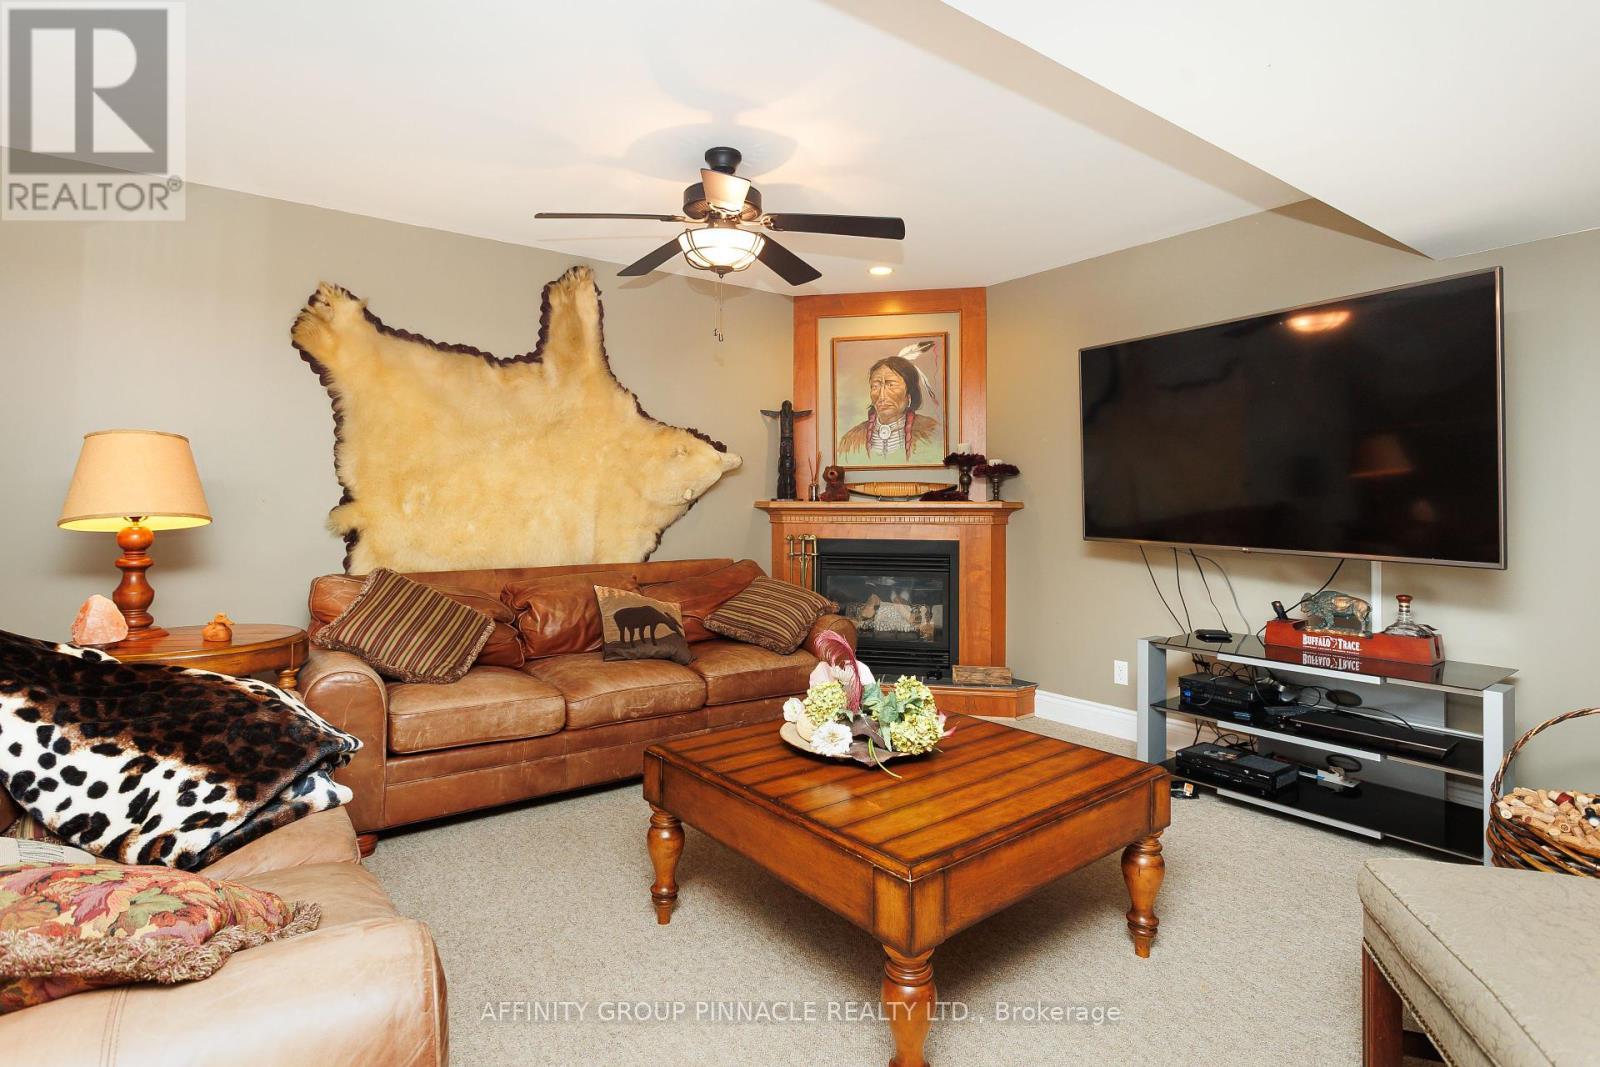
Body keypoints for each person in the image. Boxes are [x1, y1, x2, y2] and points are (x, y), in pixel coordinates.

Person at [837, 350, 941, 464]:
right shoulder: (851, 440)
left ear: (909, 394)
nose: (882, 396)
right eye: (875, 386)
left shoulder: (932, 431)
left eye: (891, 385)